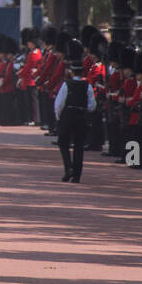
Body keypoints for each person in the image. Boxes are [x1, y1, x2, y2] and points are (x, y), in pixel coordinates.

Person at [55, 37, 95, 182]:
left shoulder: (67, 84)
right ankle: (77, 175)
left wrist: (59, 117)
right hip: (81, 116)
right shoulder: (88, 85)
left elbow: (59, 103)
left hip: (68, 114)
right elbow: (92, 105)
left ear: (72, 72)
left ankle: (68, 168)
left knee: (63, 143)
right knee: (78, 146)